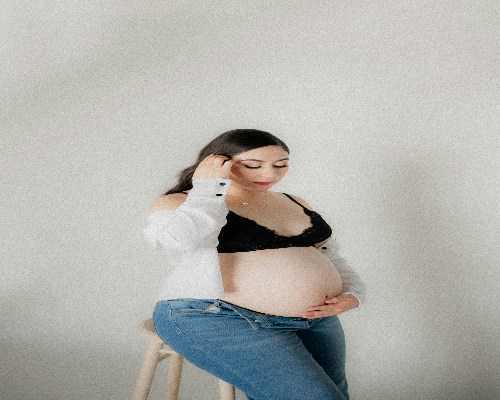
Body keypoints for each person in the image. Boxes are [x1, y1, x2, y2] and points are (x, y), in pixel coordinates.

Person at [143, 129, 366, 400]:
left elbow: (331, 257)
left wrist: (353, 294)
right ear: (217, 162)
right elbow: (177, 241)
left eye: (281, 165)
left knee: (336, 394)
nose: (270, 174)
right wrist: (208, 188)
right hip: (217, 316)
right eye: (253, 165)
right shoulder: (182, 202)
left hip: (316, 318)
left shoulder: (292, 201)